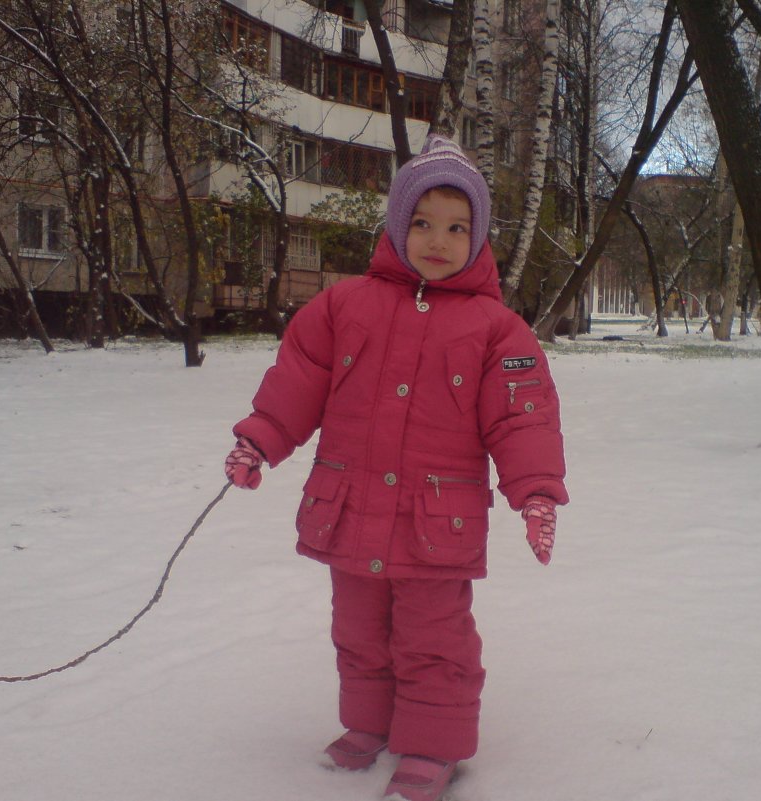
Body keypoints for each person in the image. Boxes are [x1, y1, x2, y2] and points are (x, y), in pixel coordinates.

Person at [224, 135, 568, 801]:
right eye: (422, 223)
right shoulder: (343, 306)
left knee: (432, 639)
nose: (437, 240)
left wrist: (535, 492)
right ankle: (368, 724)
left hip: (436, 521)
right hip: (351, 512)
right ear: (395, 224)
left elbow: (522, 417)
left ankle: (433, 746)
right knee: (358, 631)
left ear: (479, 236)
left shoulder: (497, 329)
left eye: (457, 227)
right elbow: (298, 379)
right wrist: (261, 438)